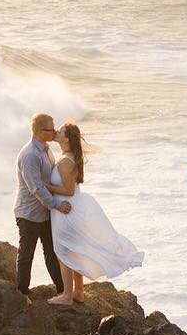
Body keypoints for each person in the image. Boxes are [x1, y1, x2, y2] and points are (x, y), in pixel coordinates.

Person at [44, 122, 143, 306]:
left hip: (66, 211)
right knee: (74, 250)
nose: (56, 132)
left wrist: (45, 186)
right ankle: (78, 292)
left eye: (61, 131)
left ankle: (67, 295)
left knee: (63, 251)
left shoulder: (66, 161)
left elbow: (68, 190)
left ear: (66, 138)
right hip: (72, 209)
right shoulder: (69, 157)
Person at [14, 113, 71, 303]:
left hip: (45, 212)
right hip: (29, 213)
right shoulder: (30, 155)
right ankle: (22, 293)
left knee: (51, 251)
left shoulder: (46, 149)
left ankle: (62, 290)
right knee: (26, 254)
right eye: (51, 129)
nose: (55, 132)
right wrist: (57, 205)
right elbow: (37, 188)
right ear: (39, 131)